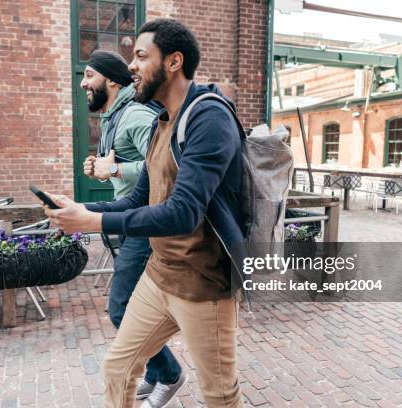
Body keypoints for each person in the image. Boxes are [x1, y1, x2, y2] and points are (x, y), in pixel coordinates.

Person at [46, 19, 243, 408]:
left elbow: (182, 213)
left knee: (219, 396)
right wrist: (82, 208)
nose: (130, 66)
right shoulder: (161, 122)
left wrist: (93, 222)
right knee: (119, 369)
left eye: (139, 55)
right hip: (160, 277)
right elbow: (137, 201)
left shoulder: (209, 118)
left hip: (203, 287)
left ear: (173, 61)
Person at [79, 49, 183, 401]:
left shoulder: (135, 115)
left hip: (145, 222)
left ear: (111, 80)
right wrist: (101, 167)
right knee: (136, 307)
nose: (83, 82)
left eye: (89, 75)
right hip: (132, 217)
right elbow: (128, 165)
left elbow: (166, 165)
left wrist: (118, 170)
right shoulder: (114, 118)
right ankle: (156, 374)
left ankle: (169, 373)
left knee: (122, 308)